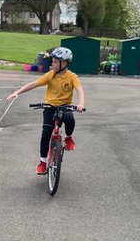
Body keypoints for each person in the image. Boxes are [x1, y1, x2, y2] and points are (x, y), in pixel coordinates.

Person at [7, 46, 86, 175]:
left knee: (70, 119)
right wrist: (17, 92)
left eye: (55, 62)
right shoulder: (50, 75)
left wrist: (80, 104)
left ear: (64, 63)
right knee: (46, 134)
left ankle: (68, 138)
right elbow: (33, 84)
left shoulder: (72, 77)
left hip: (65, 106)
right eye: (52, 61)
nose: (52, 64)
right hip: (50, 107)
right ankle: (43, 162)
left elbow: (79, 90)